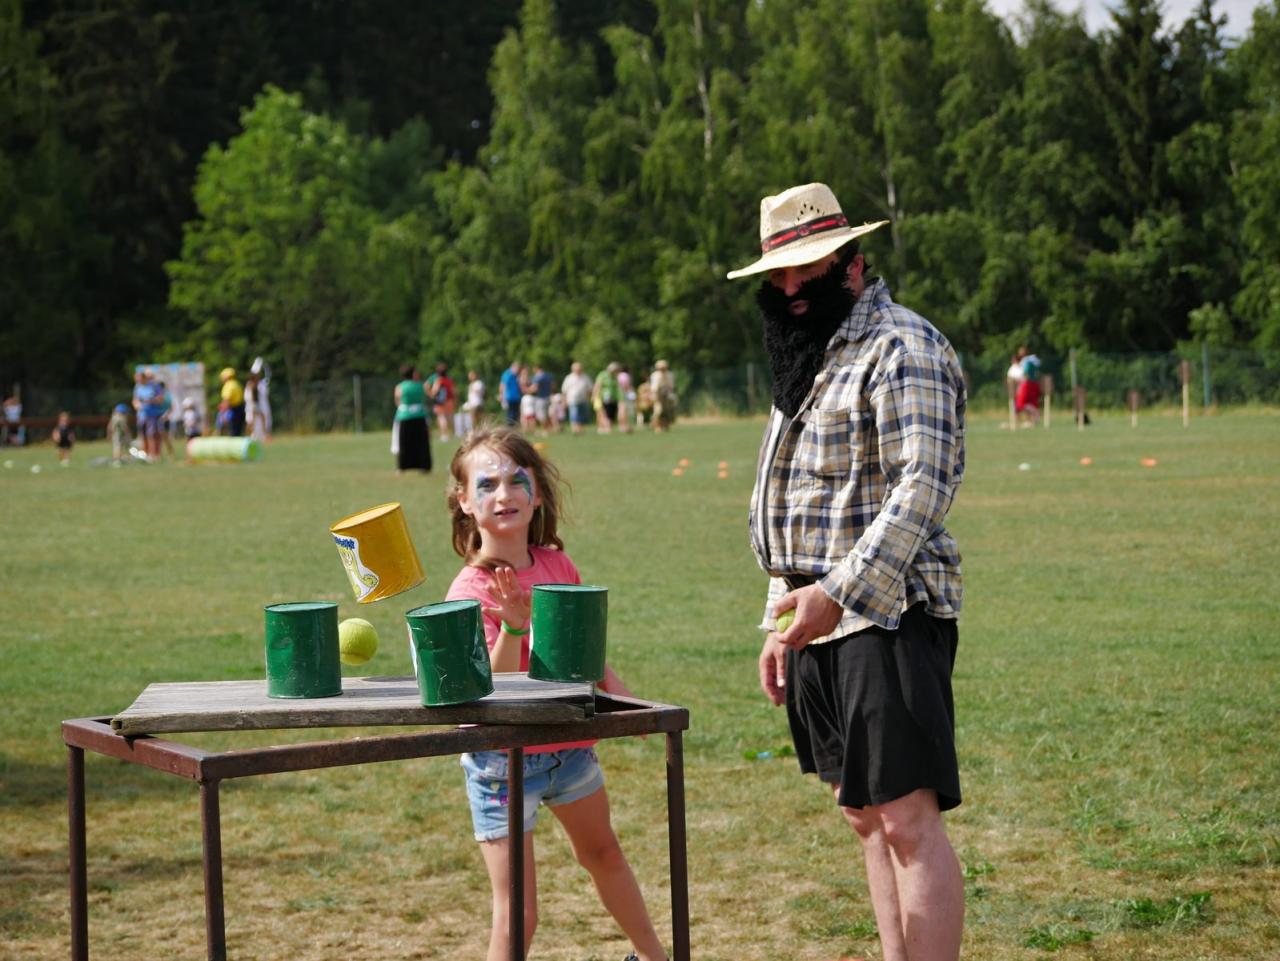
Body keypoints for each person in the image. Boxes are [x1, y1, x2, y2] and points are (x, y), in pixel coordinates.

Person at [727, 182, 967, 961]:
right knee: (863, 814)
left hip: (889, 610)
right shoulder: (805, 355)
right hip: (817, 617)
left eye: (809, 267)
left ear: (854, 263)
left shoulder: (903, 346)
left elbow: (923, 485)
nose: (792, 287)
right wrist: (781, 614)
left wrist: (837, 592)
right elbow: (795, 498)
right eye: (779, 273)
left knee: (906, 819)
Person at [443, 427, 667, 961]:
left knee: (605, 855)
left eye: (517, 480)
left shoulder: (557, 567)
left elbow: (580, 653)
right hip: (502, 761)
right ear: (465, 501)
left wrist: (624, 697)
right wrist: (514, 626)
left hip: (569, 747)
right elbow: (486, 694)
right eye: (487, 484)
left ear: (537, 493)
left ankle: (655, 958)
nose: (504, 494)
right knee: (518, 911)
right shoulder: (468, 591)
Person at [393, 363, 432, 473]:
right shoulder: (421, 385)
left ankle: (402, 467)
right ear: (413, 374)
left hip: (404, 416)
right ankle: (424, 466)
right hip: (420, 415)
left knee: (404, 443)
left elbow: (397, 401)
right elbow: (426, 397)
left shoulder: (399, 387)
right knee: (422, 443)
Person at [561, 362, 593, 435]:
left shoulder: (586, 377)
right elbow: (564, 391)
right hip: (572, 400)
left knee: (583, 416)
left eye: (579, 369)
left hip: (584, 400)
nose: (578, 370)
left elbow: (590, 389)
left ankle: (580, 429)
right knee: (574, 415)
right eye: (576, 369)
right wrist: (564, 401)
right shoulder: (569, 378)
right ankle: (575, 429)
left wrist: (590, 397)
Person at [428, 362, 457, 442]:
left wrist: (432, 395)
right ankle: (453, 433)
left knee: (442, 417)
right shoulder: (449, 380)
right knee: (450, 417)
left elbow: (435, 391)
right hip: (450, 400)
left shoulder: (438, 380)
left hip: (441, 402)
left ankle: (445, 435)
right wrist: (455, 400)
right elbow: (454, 391)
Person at [1016, 347, 1042, 427]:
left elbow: (1025, 374)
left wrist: (1020, 383)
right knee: (1032, 402)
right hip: (1035, 383)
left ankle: (1036, 413)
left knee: (1021, 404)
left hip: (1027, 384)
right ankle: (1032, 420)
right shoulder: (1034, 360)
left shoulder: (1026, 361)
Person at [456, 369, 486, 437]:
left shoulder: (479, 383)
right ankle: (475, 432)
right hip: (473, 404)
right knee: (474, 419)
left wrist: (472, 388)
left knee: (479, 418)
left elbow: (479, 392)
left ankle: (480, 431)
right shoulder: (472, 384)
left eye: (471, 375)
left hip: (478, 403)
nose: (470, 377)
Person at [649, 361, 677, 433]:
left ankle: (665, 425)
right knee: (658, 411)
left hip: (667, 395)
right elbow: (654, 388)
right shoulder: (655, 375)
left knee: (667, 411)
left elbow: (671, 386)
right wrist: (654, 396)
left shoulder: (670, 375)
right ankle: (656, 426)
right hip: (658, 394)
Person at [593, 363, 620, 433]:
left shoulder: (615, 377)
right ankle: (603, 427)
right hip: (601, 398)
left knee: (610, 415)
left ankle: (606, 427)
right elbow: (597, 385)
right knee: (601, 413)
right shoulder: (602, 375)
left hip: (612, 399)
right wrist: (595, 396)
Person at [250, 356, 273, 440]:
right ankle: (255, 435)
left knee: (266, 419)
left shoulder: (261, 384)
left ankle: (266, 435)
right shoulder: (252, 384)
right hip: (257, 404)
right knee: (255, 420)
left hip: (262, 403)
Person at [219, 368, 246, 437]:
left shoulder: (228, 385)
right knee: (239, 431)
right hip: (241, 408)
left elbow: (226, 401)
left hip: (234, 410)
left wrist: (223, 414)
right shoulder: (237, 384)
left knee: (233, 432)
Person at [530, 364, 554, 431]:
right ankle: (549, 428)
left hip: (540, 398)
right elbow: (553, 386)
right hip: (548, 397)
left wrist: (527, 390)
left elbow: (535, 388)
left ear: (536, 369)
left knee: (541, 415)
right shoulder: (548, 376)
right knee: (547, 414)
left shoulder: (538, 377)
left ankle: (545, 429)